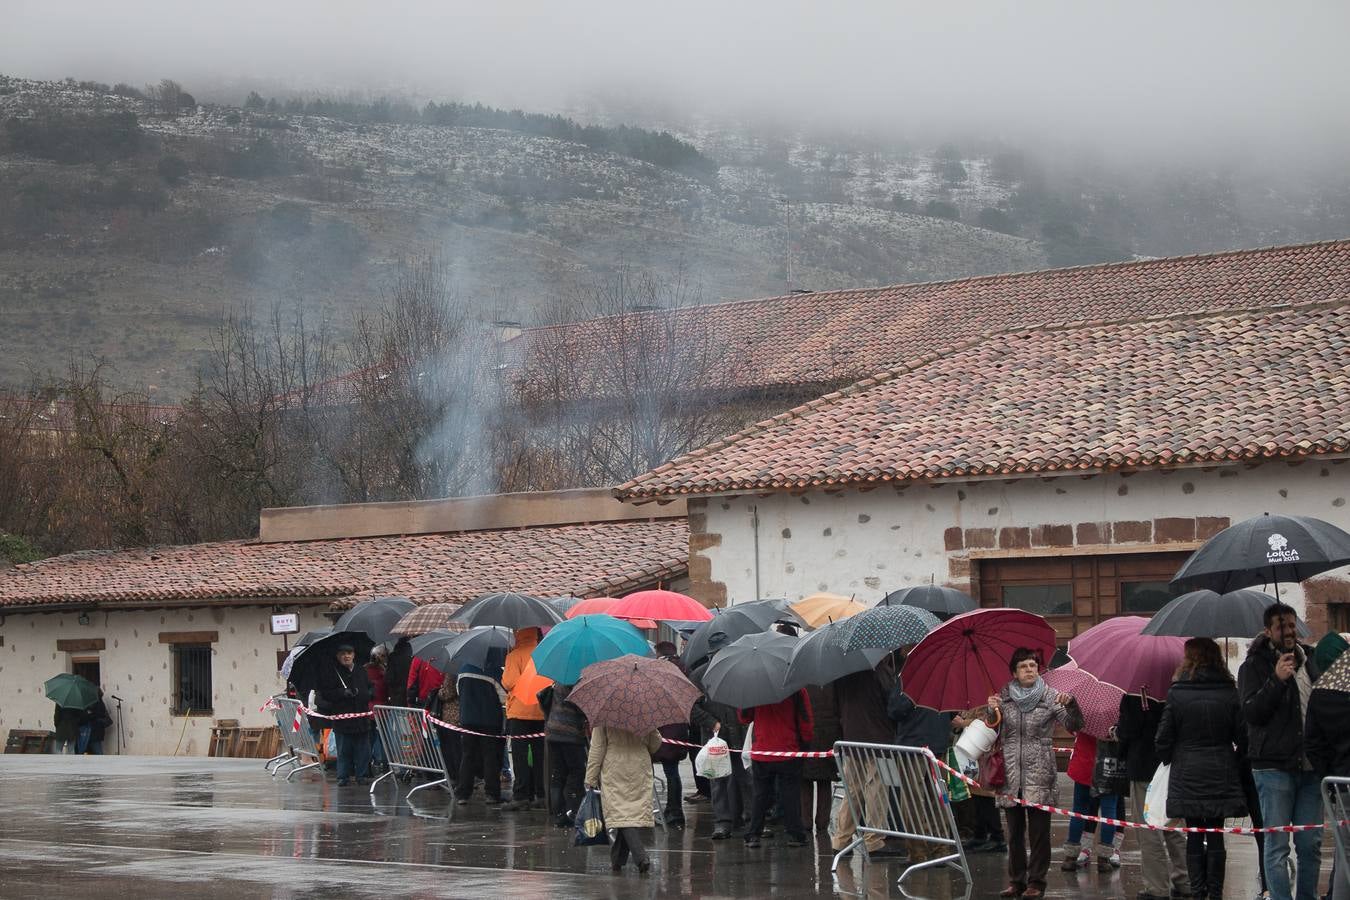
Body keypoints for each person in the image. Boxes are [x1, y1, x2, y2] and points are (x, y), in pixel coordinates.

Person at [1239, 602, 1324, 900]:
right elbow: (1252, 713)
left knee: (1310, 843)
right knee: (1276, 845)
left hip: (1311, 767)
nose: (1288, 631)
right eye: (1281, 626)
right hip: (1273, 767)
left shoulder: (1310, 659)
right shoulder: (1253, 667)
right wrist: (1276, 680)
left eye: (1291, 624)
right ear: (1268, 631)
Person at [1156, 637, 1248, 900]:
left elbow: (1163, 739)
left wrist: (1169, 758)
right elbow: (1243, 736)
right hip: (1221, 769)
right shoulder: (1230, 690)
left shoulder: (1178, 692)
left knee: (1194, 832)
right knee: (1216, 832)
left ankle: (1198, 892)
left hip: (1187, 772)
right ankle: (1216, 892)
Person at [990, 647, 1084, 900]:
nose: (1029, 670)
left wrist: (1072, 705)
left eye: (1032, 665)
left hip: (1040, 772)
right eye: (1023, 666)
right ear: (1014, 673)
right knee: (1014, 833)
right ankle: (1016, 881)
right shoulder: (1004, 698)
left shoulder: (1050, 696)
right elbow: (992, 729)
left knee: (1039, 834)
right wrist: (991, 710)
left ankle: (1037, 882)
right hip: (1010, 773)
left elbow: (1075, 725)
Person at [1116, 687, 1189, 900]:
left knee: (1148, 828)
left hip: (1143, 766)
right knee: (1172, 824)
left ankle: (1156, 887)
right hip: (1169, 766)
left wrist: (1117, 734)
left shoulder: (1134, 693)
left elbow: (1129, 729)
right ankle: (1186, 880)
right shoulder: (1175, 688)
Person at [831, 656, 899, 858]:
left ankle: (841, 839)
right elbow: (892, 703)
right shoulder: (879, 670)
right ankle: (874, 840)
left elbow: (835, 705)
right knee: (877, 788)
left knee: (852, 789)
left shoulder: (842, 672)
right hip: (879, 739)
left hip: (851, 738)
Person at [889, 666, 957, 860]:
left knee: (912, 801)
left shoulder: (908, 677)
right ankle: (940, 849)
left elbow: (895, 710)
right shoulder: (944, 677)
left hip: (913, 747)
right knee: (938, 800)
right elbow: (952, 711)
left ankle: (918, 852)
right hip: (937, 747)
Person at [1304, 633, 1350, 900]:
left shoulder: (1321, 692)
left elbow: (1313, 744)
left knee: (1345, 854)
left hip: (1341, 784)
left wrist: (1329, 776)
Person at [739, 686, 813, 849]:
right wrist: (806, 743)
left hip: (762, 750)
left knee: (760, 795)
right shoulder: (797, 689)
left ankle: (754, 834)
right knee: (790, 794)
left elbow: (745, 718)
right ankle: (795, 834)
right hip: (788, 750)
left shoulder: (755, 688)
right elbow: (805, 720)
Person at [585, 723, 662, 874]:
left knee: (621, 814)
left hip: (615, 768)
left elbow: (597, 749)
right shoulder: (643, 714)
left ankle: (641, 857)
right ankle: (617, 860)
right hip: (640, 766)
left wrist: (590, 778)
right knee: (625, 814)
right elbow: (655, 744)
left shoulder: (605, 716)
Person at [691, 675, 751, 840]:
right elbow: (692, 708)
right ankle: (723, 822)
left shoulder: (739, 674)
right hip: (715, 740)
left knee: (744, 779)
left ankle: (748, 820)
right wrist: (711, 723)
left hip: (738, 737)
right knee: (719, 782)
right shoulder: (700, 676)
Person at [1059, 732, 1119, 873]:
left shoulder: (1085, 711)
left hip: (1084, 762)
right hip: (1109, 763)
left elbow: (1071, 728)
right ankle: (1104, 858)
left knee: (1079, 809)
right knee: (1109, 810)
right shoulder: (1116, 711)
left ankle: (1070, 856)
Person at [501, 628, 547, 811]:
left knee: (520, 756)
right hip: (541, 710)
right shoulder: (544, 653)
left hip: (519, 711)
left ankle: (521, 795)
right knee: (539, 755)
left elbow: (509, 682)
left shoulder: (514, 655)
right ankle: (540, 794)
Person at [316, 643, 374, 786]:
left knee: (363, 749)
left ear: (354, 655)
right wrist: (342, 693)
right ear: (338, 656)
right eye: (342, 654)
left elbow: (369, 687)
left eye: (349, 653)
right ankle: (343, 776)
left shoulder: (361, 670)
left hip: (361, 717)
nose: (346, 656)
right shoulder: (333, 672)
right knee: (344, 750)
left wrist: (368, 693)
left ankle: (362, 775)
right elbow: (326, 693)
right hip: (342, 719)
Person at [455, 659, 507, 806]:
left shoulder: (463, 668)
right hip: (489, 721)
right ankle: (491, 794)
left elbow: (459, 691)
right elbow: (503, 696)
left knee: (467, 756)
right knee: (490, 757)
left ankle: (463, 793)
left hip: (467, 719)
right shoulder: (494, 670)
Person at [539, 681, 588, 827]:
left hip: (553, 732)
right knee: (576, 771)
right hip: (570, 734)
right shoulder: (577, 684)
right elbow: (580, 708)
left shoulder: (559, 681)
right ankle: (572, 811)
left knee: (558, 773)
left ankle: (558, 814)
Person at [652, 642, 690, 828]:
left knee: (665, 772)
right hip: (679, 729)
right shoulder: (684, 668)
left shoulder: (659, 670)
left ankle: (668, 812)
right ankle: (675, 812)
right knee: (672, 772)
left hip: (663, 728)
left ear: (658, 652)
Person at [800, 682, 841, 836]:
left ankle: (806, 822)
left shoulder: (801, 681)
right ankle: (822, 823)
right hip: (829, 735)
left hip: (806, 736)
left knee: (805, 782)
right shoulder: (833, 680)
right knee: (825, 781)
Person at [365, 646, 388, 772]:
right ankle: (385, 766)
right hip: (382, 709)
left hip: (368, 709)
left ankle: (367, 767)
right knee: (383, 740)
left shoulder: (364, 670)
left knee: (368, 740)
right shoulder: (383, 672)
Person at [386, 637, 413, 707]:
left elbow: (389, 678)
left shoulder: (393, 657)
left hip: (396, 695)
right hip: (410, 695)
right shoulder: (413, 657)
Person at [85, 690, 113, 755]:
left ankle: (101, 764)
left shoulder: (95, 704)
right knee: (95, 749)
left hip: (95, 730)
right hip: (97, 730)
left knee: (97, 750)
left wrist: (89, 713)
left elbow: (96, 715)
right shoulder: (100, 702)